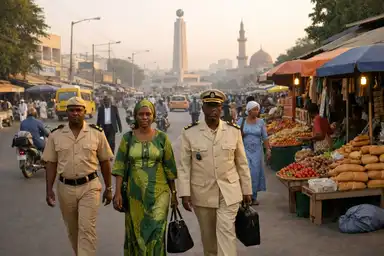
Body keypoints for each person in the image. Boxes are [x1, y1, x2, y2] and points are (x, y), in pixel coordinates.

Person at [178, 89, 252, 256]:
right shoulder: (190, 133)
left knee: (226, 234)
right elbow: (184, 166)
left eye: (216, 106)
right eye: (209, 105)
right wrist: (184, 193)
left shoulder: (233, 131)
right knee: (209, 239)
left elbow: (242, 163)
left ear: (221, 109)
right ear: (203, 108)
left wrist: (247, 189)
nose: (213, 109)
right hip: (202, 193)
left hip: (229, 192)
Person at [42, 97, 114, 256]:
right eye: (72, 110)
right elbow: (51, 164)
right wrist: (49, 190)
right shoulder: (56, 135)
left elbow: (105, 162)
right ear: (66, 112)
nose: (75, 113)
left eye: (78, 110)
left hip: (90, 186)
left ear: (85, 111)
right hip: (65, 189)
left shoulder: (96, 133)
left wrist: (109, 188)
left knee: (87, 228)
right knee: (73, 230)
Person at [112, 99, 178, 255]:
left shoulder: (162, 138)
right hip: (134, 195)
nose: (144, 117)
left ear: (153, 116)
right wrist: (117, 193)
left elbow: (170, 168)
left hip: (159, 194)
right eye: (141, 114)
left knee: (156, 232)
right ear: (135, 116)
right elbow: (120, 166)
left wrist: (174, 194)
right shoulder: (128, 138)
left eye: (148, 114)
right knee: (136, 233)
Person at [237, 101, 271, 205]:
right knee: (246, 173)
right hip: (244, 150)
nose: (257, 111)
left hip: (257, 151)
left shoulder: (261, 122)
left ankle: (254, 196)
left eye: (257, 109)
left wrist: (268, 149)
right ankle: (245, 195)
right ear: (249, 110)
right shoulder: (241, 121)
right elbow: (235, 136)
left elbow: (265, 137)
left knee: (255, 173)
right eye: (254, 109)